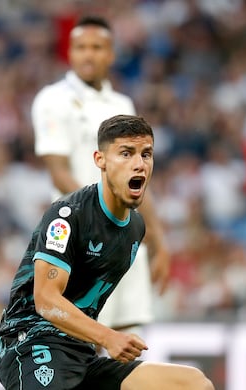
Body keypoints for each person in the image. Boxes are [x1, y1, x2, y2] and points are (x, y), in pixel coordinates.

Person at [0, 114, 214, 390]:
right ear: (100, 160)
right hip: (30, 343)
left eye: (146, 154)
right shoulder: (67, 216)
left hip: (81, 354)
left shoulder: (135, 228)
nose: (139, 164)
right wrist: (107, 337)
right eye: (126, 153)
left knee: (193, 384)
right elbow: (46, 299)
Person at [31, 15, 170, 332]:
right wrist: (98, 219)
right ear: (70, 52)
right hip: (81, 234)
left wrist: (158, 239)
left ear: (111, 54)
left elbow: (136, 176)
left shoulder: (122, 103)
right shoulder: (53, 100)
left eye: (97, 47)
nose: (88, 54)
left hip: (125, 235)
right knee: (86, 339)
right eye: (80, 47)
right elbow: (58, 171)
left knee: (129, 337)